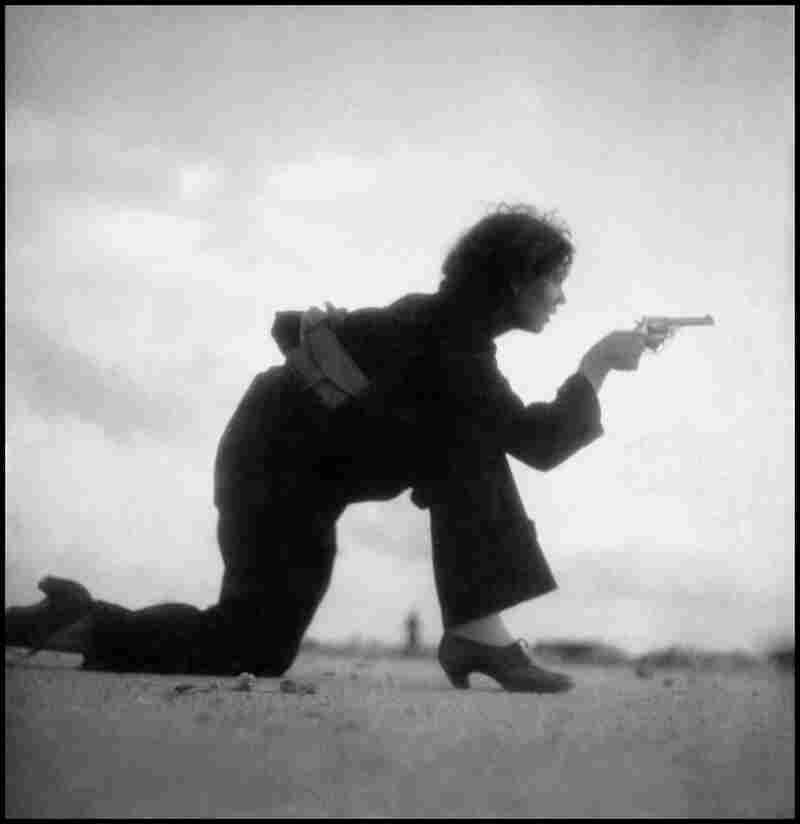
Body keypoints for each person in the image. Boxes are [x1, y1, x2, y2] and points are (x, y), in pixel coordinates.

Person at [5, 204, 664, 692]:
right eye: (553, 279)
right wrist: (597, 364)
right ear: (516, 280)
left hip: (294, 466)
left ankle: (476, 632)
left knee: (258, 645)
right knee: (248, 645)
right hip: (272, 471)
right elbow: (538, 443)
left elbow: (303, 334)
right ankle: (80, 623)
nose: (561, 296)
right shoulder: (453, 342)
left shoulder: (445, 326)